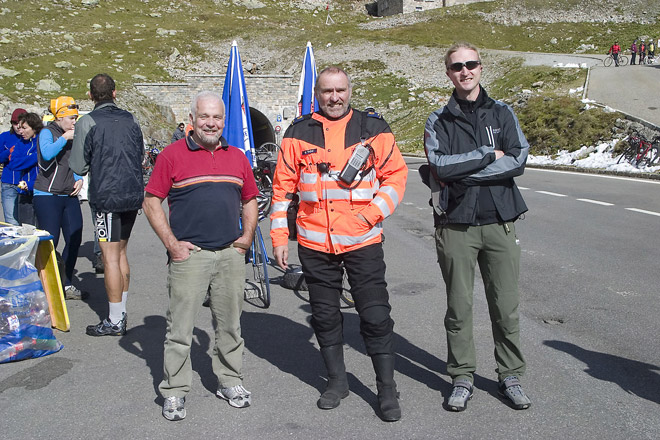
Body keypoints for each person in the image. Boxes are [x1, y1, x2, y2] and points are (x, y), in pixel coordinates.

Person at [270, 66, 408, 422]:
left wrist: (369, 216)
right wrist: (279, 237)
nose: (334, 97)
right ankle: (336, 381)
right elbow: (282, 190)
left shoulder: (373, 129)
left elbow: (396, 178)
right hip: (315, 244)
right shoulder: (298, 132)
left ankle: (386, 389)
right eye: (327, 91)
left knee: (376, 316)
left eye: (340, 90)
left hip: (362, 240)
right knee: (325, 317)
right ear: (317, 92)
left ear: (350, 90)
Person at [423, 42, 531, 412]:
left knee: (506, 305)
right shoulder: (438, 120)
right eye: (457, 66)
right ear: (448, 73)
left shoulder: (502, 113)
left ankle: (510, 375)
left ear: (481, 68)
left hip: (500, 221)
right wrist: (487, 156)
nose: (464, 71)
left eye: (471, 64)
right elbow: (440, 166)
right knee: (459, 307)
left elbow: (518, 159)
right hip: (456, 224)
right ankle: (462, 377)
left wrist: (466, 172)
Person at [142, 91, 259, 421]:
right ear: (192, 120)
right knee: (180, 329)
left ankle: (230, 380)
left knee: (231, 326)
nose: (211, 123)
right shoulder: (171, 155)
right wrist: (172, 243)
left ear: (224, 121)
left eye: (217, 117)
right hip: (189, 257)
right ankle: (175, 390)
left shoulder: (237, 157)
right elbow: (151, 202)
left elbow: (250, 199)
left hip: (230, 254)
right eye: (204, 117)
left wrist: (246, 239)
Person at [69, 73, 144, 336]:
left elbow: (78, 165)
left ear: (90, 95)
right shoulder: (131, 119)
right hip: (132, 193)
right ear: (115, 93)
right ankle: (120, 312)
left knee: (110, 257)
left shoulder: (87, 121)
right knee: (122, 253)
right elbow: (141, 154)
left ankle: (114, 320)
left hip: (106, 197)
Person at [33, 96, 86, 300]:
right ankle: (46, 283)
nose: (74, 122)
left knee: (74, 237)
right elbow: (46, 154)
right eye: (71, 117)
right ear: (60, 116)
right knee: (50, 241)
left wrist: (79, 178)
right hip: (47, 194)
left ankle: (66, 281)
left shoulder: (72, 134)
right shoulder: (48, 132)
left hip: (68, 194)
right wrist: (65, 138)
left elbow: (75, 160)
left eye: (76, 118)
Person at [1, 108, 28, 225]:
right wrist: (8, 153)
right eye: (15, 123)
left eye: (21, 123)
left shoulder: (32, 137)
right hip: (9, 183)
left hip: (28, 184)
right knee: (11, 221)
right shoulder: (4, 137)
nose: (18, 126)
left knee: (28, 222)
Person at [14, 112, 41, 225]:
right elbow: (14, 164)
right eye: (20, 128)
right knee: (26, 230)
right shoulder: (21, 143)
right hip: (24, 193)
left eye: (24, 128)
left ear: (34, 127)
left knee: (43, 231)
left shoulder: (42, 141)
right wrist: (35, 157)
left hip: (41, 192)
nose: (21, 132)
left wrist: (25, 159)